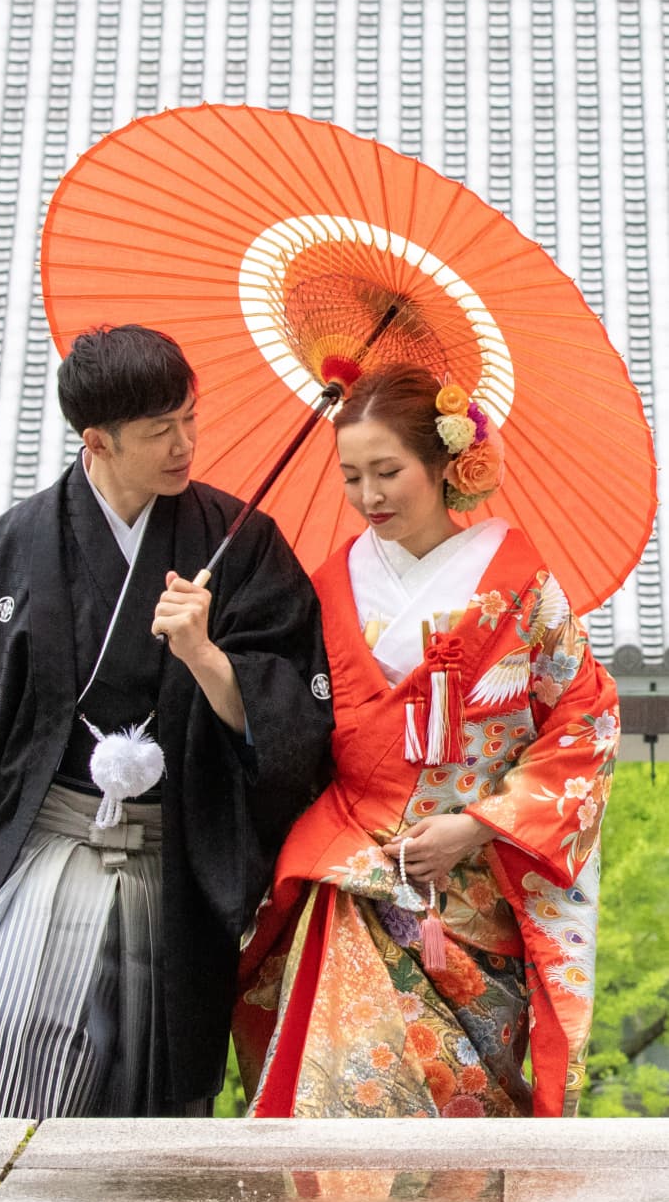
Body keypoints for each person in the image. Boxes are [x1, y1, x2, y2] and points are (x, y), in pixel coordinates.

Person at [0, 323, 333, 1118]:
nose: (185, 444)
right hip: (44, 844)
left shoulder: (243, 545)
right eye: (160, 430)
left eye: (191, 418)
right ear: (96, 440)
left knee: (143, 1083)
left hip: (174, 858)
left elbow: (294, 720)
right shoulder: (15, 547)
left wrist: (205, 654)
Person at [233, 362, 619, 1119]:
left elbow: (586, 723)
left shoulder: (518, 581)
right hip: (354, 873)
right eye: (350, 476)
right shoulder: (328, 581)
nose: (368, 496)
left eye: (388, 471)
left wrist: (475, 826)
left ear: (446, 463)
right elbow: (292, 727)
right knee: (339, 1092)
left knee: (464, 1108)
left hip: (475, 889)